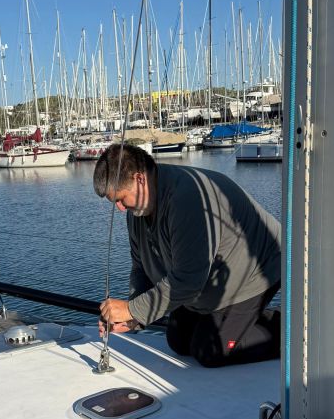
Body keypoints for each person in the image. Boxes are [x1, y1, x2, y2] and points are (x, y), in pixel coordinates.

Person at [93, 143, 281, 367]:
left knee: (210, 350)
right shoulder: (136, 211)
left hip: (256, 271)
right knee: (178, 340)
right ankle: (241, 322)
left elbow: (189, 281)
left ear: (140, 179)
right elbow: (141, 267)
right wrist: (133, 318)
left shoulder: (187, 200)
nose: (120, 209)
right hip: (211, 279)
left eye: (121, 199)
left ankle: (289, 326)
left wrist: (132, 310)